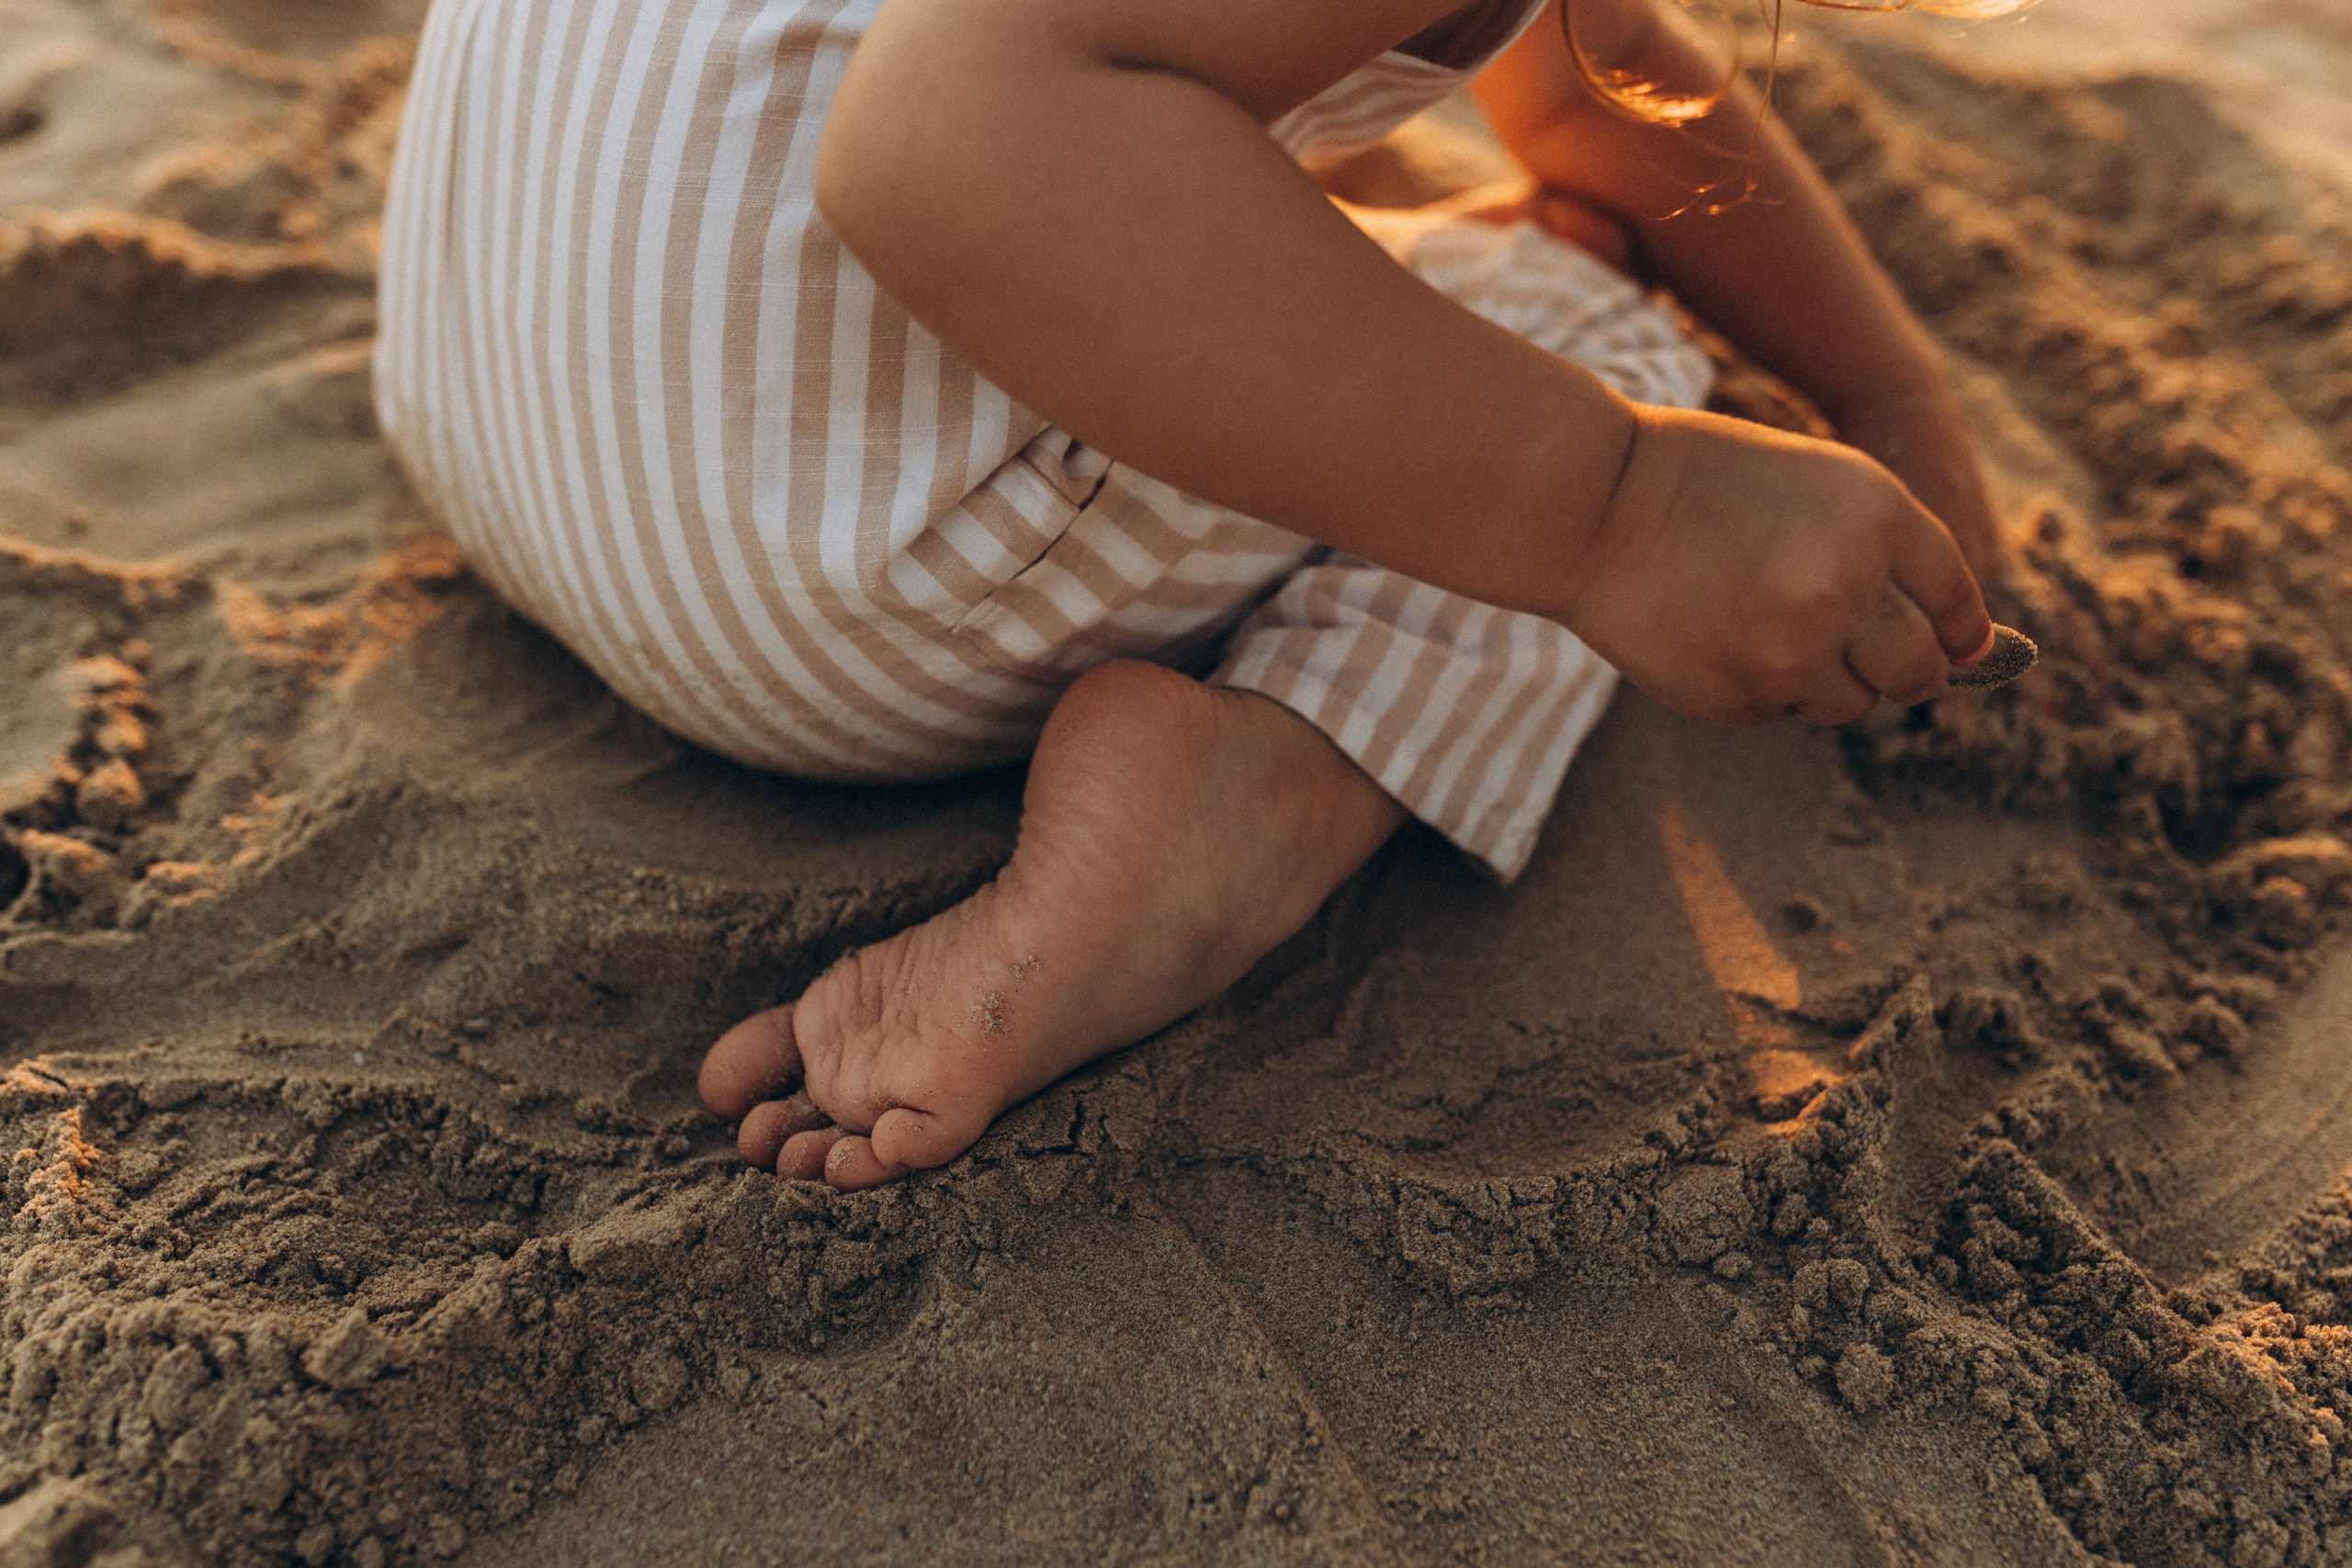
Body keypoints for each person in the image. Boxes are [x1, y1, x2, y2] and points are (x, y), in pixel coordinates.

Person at [375, 0, 2016, 1190]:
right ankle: (1249, 804)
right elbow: (947, 142)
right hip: (822, 569)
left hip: (489, 397)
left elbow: (1594, 72)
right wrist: (1627, 507)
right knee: (1596, 342)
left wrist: (1889, 394)